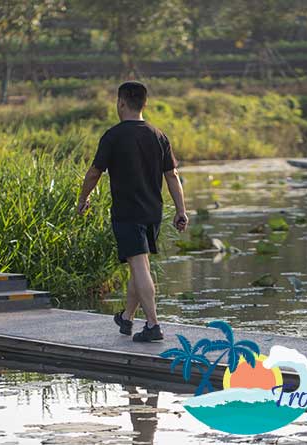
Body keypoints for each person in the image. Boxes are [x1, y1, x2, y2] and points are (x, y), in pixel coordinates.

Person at [77, 81, 188, 342]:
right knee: (141, 266)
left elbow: (95, 172)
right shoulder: (158, 135)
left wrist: (83, 197)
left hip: (127, 212)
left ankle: (153, 324)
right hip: (153, 212)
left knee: (138, 265)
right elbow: (172, 175)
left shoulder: (113, 136)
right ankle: (127, 318)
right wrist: (181, 210)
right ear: (145, 104)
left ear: (121, 103)